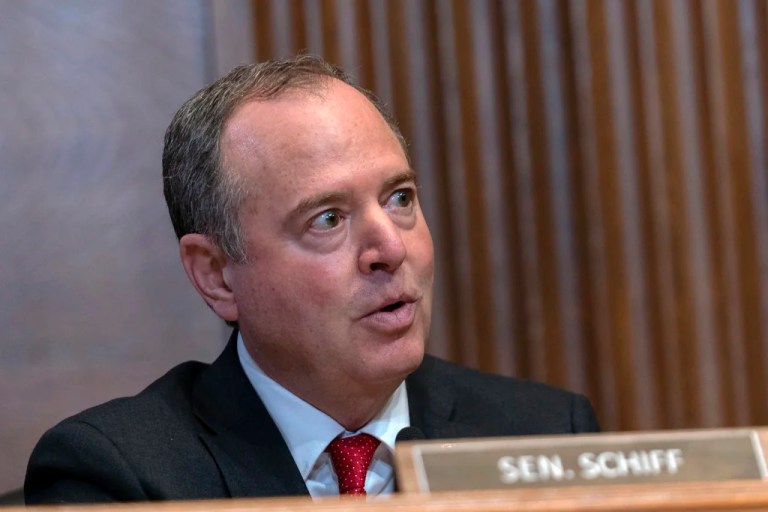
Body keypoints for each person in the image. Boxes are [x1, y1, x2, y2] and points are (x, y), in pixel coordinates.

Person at [25, 55, 599, 504]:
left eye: (400, 198)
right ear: (217, 274)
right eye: (328, 219)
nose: (390, 248)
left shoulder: (546, 437)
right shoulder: (121, 477)